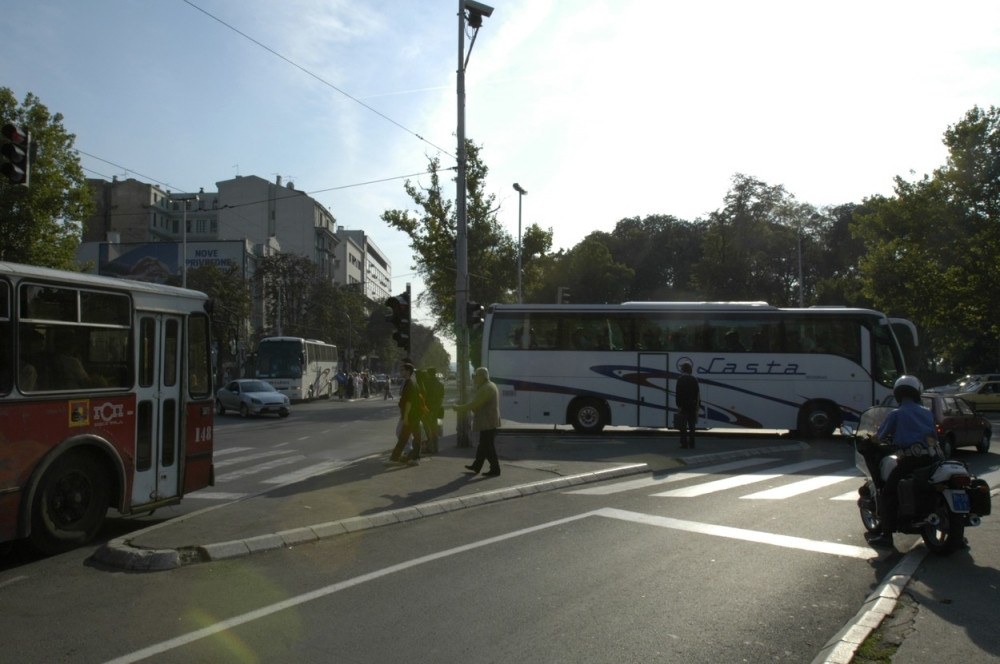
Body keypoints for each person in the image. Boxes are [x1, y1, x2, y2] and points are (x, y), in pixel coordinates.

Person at [865, 375, 940, 549]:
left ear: (898, 394)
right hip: (931, 458)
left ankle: (886, 535)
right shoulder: (927, 413)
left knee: (888, 493)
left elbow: (880, 436)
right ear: (917, 393)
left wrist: (869, 441)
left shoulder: (896, 414)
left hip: (909, 461)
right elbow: (934, 438)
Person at [453, 366, 501, 476]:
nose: (474, 378)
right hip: (489, 421)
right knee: (483, 445)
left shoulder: (486, 388)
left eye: (476, 376)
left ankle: (495, 469)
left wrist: (458, 408)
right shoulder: (489, 385)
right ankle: (477, 466)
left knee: (488, 447)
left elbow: (474, 404)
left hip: (487, 421)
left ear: (482, 376)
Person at [389, 364, 424, 465]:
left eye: (403, 370)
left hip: (411, 415)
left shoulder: (409, 384)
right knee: (416, 437)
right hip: (416, 414)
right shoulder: (413, 383)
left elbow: (409, 401)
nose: (401, 372)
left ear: (408, 371)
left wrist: (405, 416)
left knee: (403, 437)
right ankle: (415, 458)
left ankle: (394, 459)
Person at [675, 361, 700, 449]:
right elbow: (697, 394)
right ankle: (692, 443)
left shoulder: (680, 379)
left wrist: (679, 406)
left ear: (683, 369)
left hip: (683, 406)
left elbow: (678, 394)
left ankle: (684, 443)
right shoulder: (694, 380)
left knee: (683, 426)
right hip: (692, 406)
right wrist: (697, 407)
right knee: (692, 426)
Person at [421, 368, 445, 454]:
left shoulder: (425, 383)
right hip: (436, 409)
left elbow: (422, 397)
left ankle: (429, 447)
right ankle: (436, 448)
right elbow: (441, 398)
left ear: (428, 373)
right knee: (435, 428)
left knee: (427, 429)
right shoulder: (440, 384)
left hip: (427, 409)